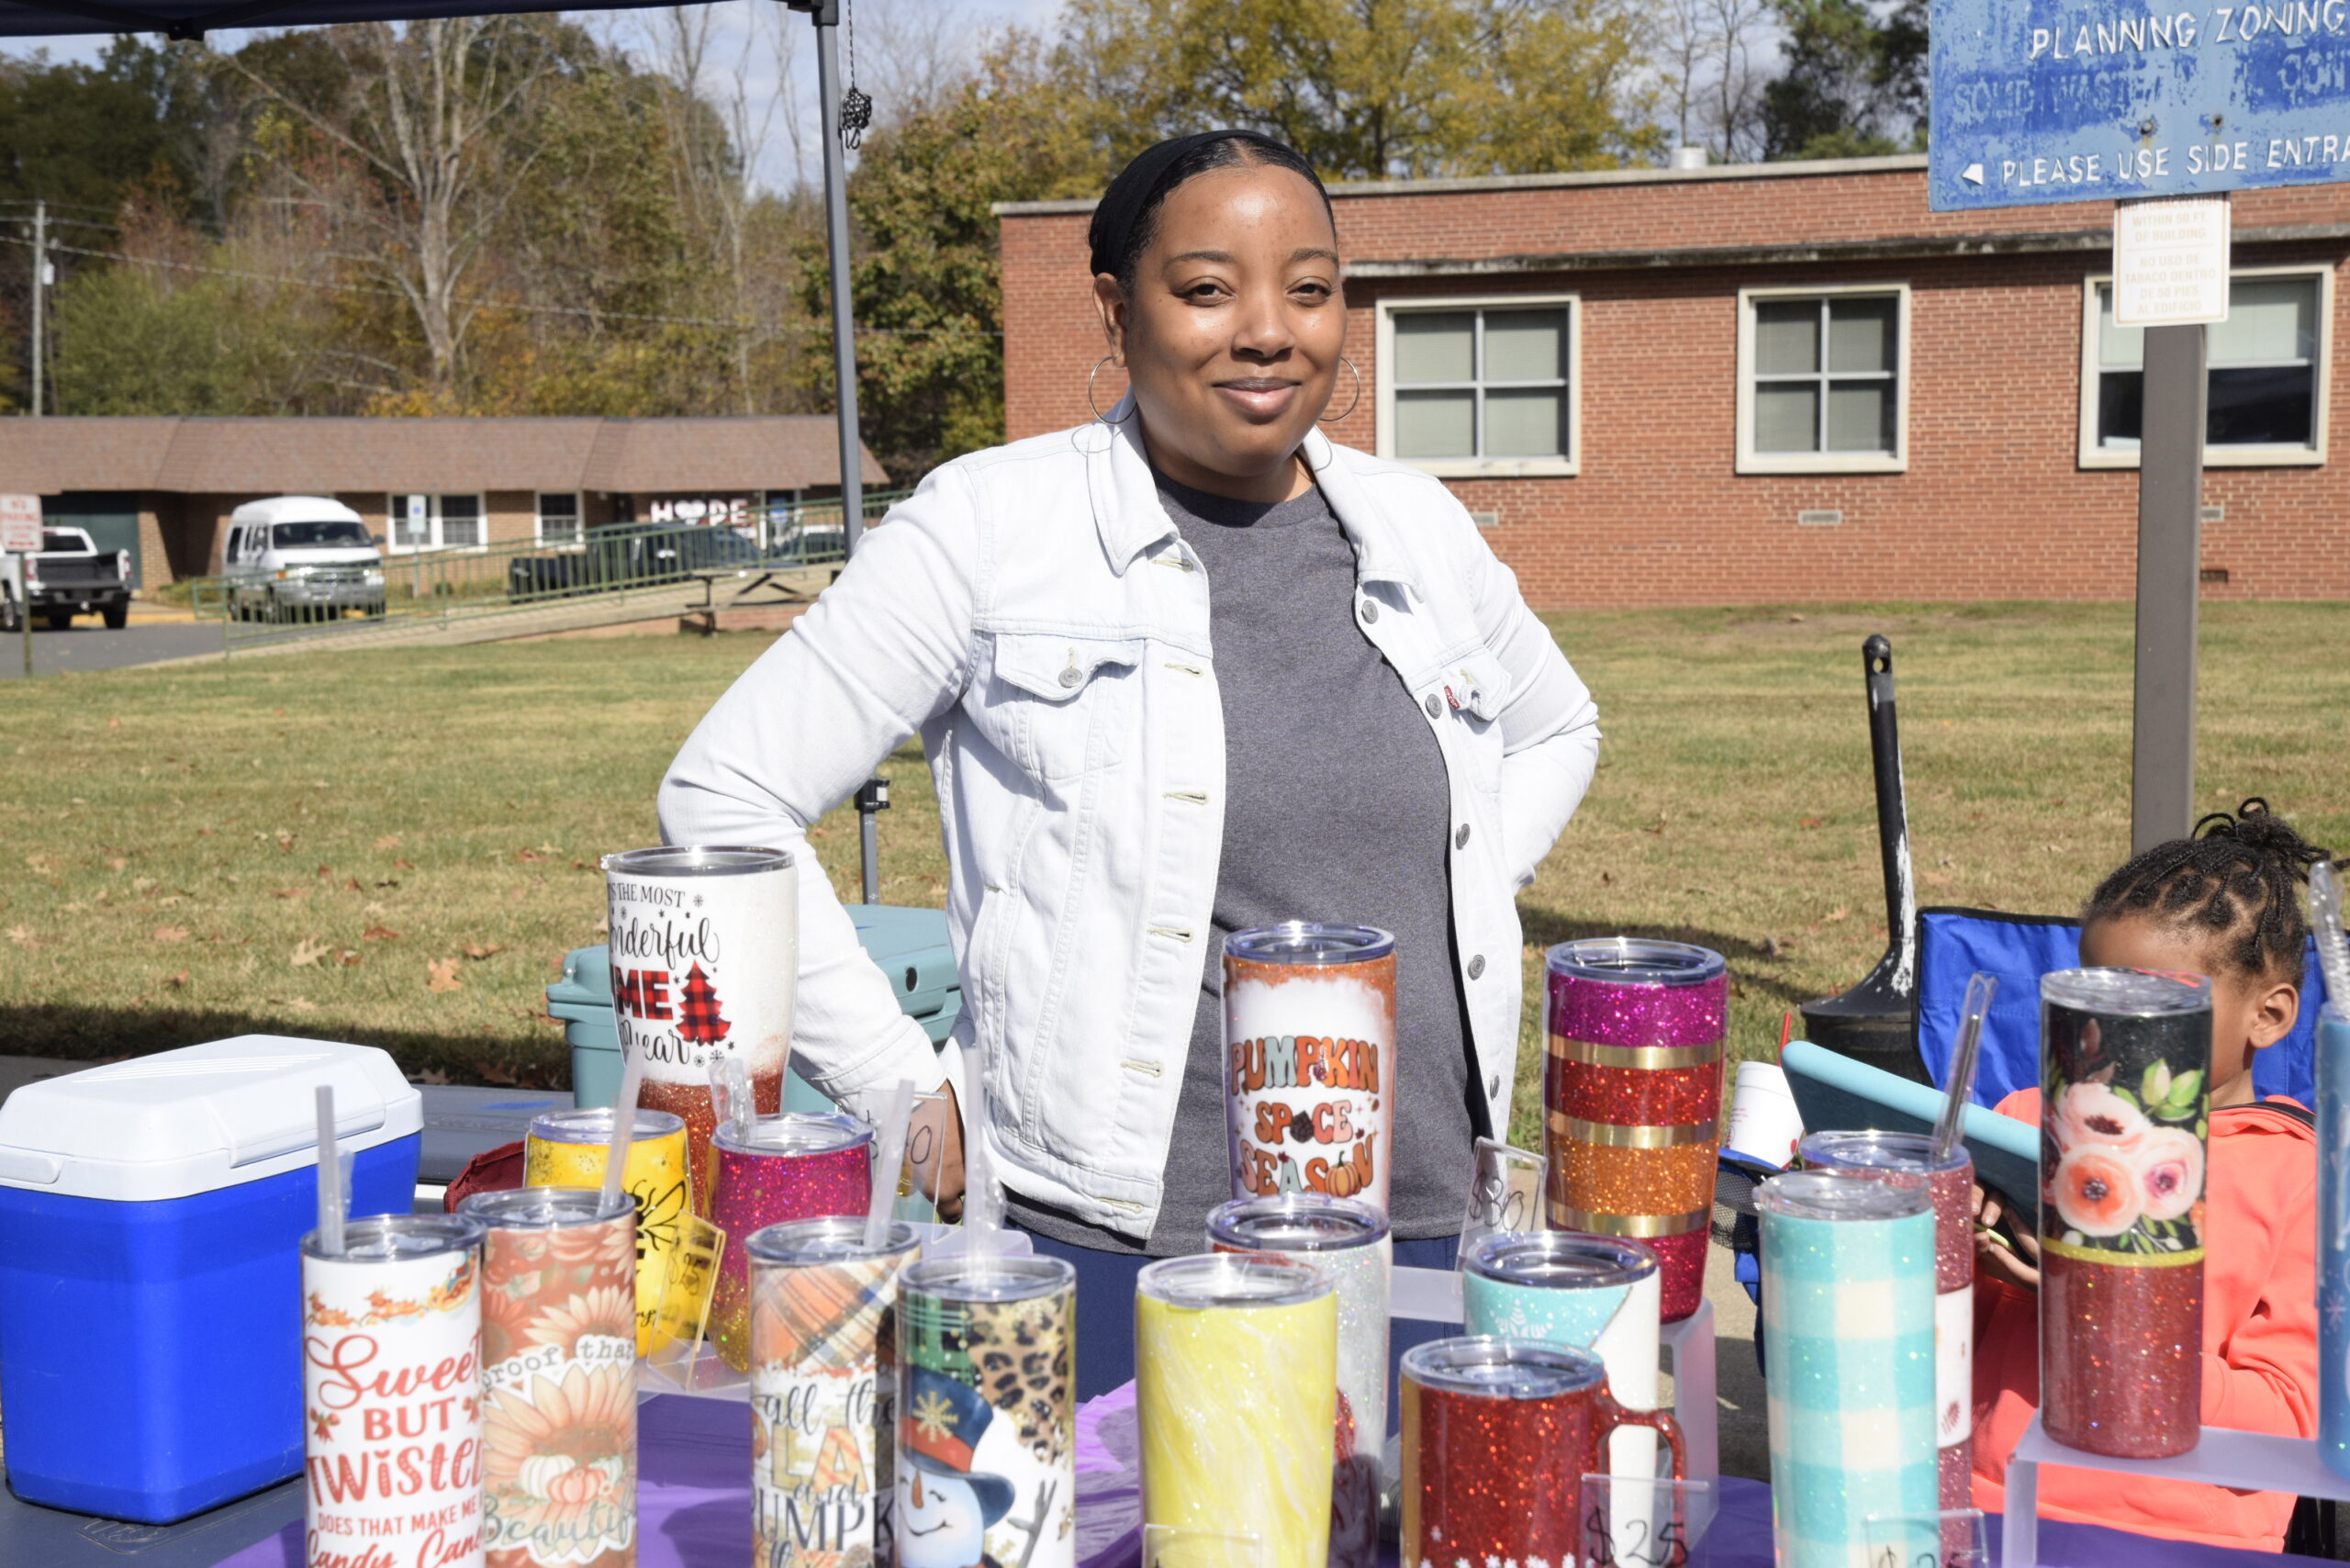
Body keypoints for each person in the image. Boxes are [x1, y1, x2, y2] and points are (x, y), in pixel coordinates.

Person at [657, 129, 1601, 1401]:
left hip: (1425, 1230)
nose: (1270, 331)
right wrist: (900, 1087)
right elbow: (724, 793)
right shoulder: (992, 530)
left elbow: (1555, 726)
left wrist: (1471, 875)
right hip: (1121, 1249)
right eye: (1209, 289)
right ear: (1117, 306)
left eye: (1311, 290)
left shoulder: (1415, 526)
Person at [1970, 800, 2331, 1550]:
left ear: (2269, 1016)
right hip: (1992, 1501)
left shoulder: (2303, 1179)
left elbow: (2294, 1421)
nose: (2114, 1026)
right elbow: (1945, 1345)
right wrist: (1950, 1241)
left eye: (2160, 1002)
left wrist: (2109, 1314)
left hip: (2180, 1536)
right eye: (2098, 992)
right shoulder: (2024, 1116)